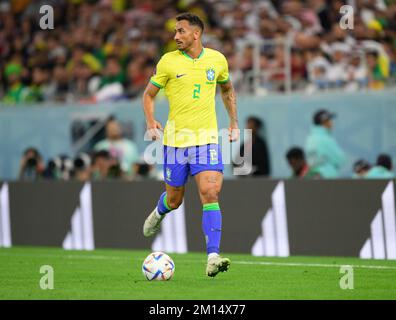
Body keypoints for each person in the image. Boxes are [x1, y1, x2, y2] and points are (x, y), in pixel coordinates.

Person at [142, 13, 239, 277]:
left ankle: (213, 256)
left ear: (196, 34)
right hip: (175, 143)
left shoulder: (217, 60)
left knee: (210, 192)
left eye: (181, 31)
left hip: (206, 141)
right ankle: (160, 210)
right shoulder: (168, 62)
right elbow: (149, 95)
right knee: (175, 200)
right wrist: (151, 121)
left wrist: (233, 122)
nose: (176, 36)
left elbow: (227, 89)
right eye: (175, 32)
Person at [305, 109, 346, 178]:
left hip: (313, 176)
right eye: (329, 120)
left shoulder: (310, 138)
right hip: (327, 178)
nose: (332, 122)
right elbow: (341, 159)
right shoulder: (324, 138)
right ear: (324, 122)